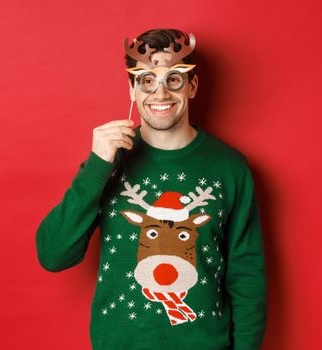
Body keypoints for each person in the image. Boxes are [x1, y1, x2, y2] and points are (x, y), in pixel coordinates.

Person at [35, 28, 267, 350]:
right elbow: (53, 254)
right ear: (132, 89)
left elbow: (247, 277)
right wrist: (97, 164)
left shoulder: (230, 168)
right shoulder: (106, 163)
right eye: (146, 80)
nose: (160, 94)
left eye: (173, 79)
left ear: (192, 86)